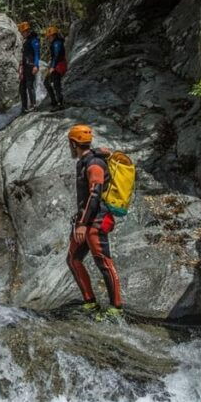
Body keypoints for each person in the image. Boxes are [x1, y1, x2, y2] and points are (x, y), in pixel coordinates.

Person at [66, 124, 123, 319]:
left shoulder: (94, 164)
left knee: (104, 263)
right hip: (85, 220)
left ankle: (116, 308)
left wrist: (82, 224)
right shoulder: (85, 161)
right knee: (73, 259)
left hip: (95, 221)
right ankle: (90, 303)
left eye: (69, 144)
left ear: (73, 143)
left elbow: (94, 194)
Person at [17, 22, 40, 114]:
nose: (22, 33)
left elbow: (37, 53)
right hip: (25, 66)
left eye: (23, 32)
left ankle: (34, 105)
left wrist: (36, 65)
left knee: (30, 86)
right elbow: (24, 55)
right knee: (22, 87)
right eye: (22, 32)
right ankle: (24, 107)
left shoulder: (34, 40)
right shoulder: (26, 40)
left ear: (27, 30)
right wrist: (21, 66)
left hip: (31, 66)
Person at [44, 26, 67, 112]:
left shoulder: (57, 43)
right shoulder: (56, 42)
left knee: (56, 85)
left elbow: (56, 56)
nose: (48, 38)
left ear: (53, 35)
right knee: (47, 82)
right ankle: (54, 102)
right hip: (58, 65)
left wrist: (52, 67)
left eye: (49, 36)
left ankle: (59, 104)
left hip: (59, 66)